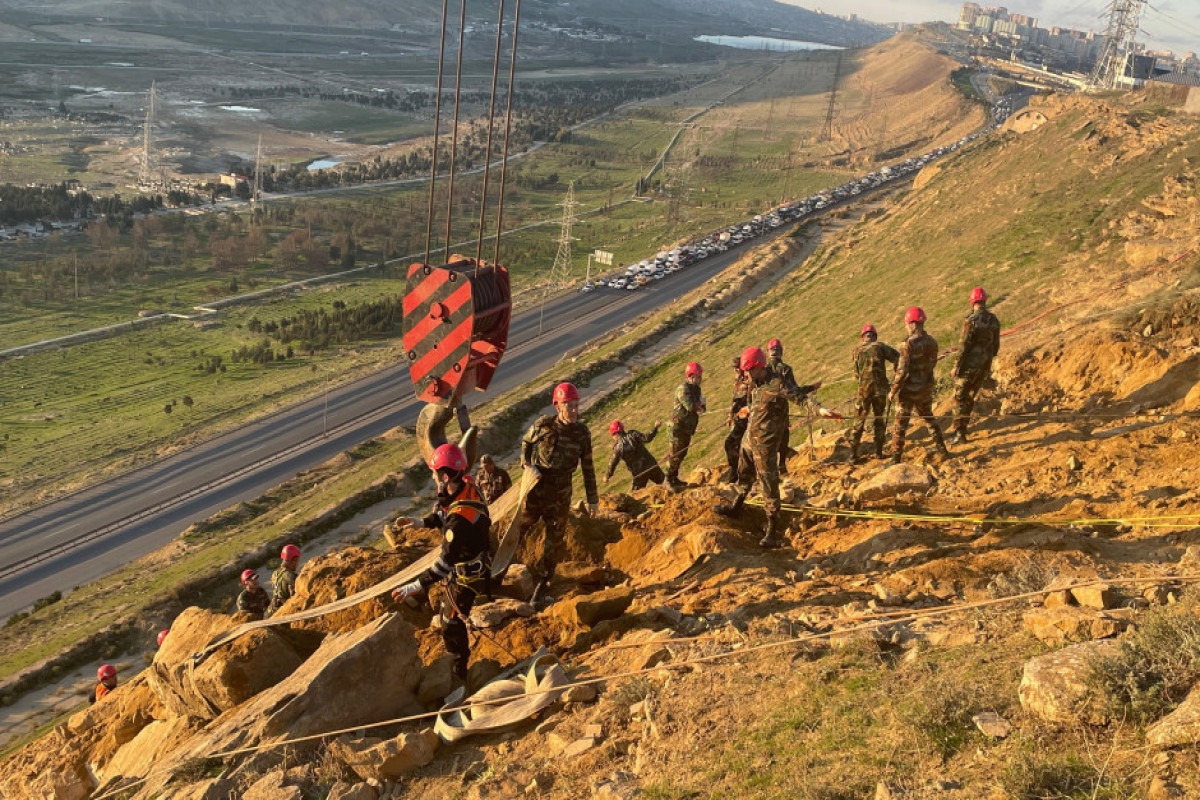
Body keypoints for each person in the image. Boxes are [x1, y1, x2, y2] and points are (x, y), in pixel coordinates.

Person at [392, 443, 491, 680]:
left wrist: (414, 586)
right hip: (475, 559)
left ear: (445, 476)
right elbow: (447, 511)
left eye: (435, 474)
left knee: (450, 623)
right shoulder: (468, 487)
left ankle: (459, 671)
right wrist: (421, 523)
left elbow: (443, 565)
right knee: (447, 613)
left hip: (470, 576)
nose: (434, 479)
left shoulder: (458, 523)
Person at [716, 346, 821, 549]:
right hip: (749, 439)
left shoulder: (777, 383)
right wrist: (746, 411)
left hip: (766, 444)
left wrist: (820, 410)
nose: (745, 375)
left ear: (759, 366)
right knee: (743, 473)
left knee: (768, 484)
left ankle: (772, 530)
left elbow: (799, 398)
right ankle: (736, 507)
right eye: (744, 371)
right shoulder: (754, 384)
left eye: (749, 371)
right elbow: (753, 404)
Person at [519, 382, 599, 601]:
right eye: (568, 406)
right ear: (558, 407)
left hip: (561, 494)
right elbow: (526, 443)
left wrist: (593, 500)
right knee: (518, 530)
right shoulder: (542, 426)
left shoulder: (582, 433)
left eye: (576, 406)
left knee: (554, 540)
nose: (573, 411)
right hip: (537, 490)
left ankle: (542, 583)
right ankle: (497, 573)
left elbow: (588, 468)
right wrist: (526, 465)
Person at [889, 307, 951, 464]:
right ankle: (942, 449)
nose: (906, 327)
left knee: (900, 424)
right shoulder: (932, 342)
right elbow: (932, 363)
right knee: (929, 419)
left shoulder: (908, 344)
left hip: (909, 391)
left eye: (907, 324)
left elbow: (902, 372)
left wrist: (893, 390)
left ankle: (896, 458)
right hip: (925, 388)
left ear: (913, 324)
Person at [950, 286, 1001, 444]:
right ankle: (963, 428)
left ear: (972, 301)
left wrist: (956, 366)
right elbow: (996, 346)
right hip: (984, 365)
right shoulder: (993, 319)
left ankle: (959, 433)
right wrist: (987, 360)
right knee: (971, 396)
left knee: (959, 398)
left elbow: (963, 346)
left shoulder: (970, 321)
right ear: (985, 300)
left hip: (969, 366)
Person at [850, 324, 900, 463]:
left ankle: (853, 455)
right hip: (880, 390)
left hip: (863, 391)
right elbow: (898, 357)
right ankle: (878, 451)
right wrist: (896, 372)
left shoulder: (856, 351)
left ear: (863, 337)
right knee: (879, 419)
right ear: (874, 336)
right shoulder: (880, 346)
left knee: (858, 421)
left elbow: (856, 374)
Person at [666, 362, 705, 490]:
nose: (700, 379)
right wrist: (700, 404)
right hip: (677, 428)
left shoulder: (696, 389)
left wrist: (701, 406)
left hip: (687, 429)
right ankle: (667, 479)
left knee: (681, 455)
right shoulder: (683, 389)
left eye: (700, 376)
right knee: (675, 455)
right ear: (691, 376)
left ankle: (674, 477)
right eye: (698, 376)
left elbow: (700, 408)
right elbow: (691, 406)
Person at [765, 339, 801, 470]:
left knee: (768, 438)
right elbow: (794, 390)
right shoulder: (786, 369)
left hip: (766, 409)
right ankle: (781, 464)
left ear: (768, 352)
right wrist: (809, 389)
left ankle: (769, 466)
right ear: (781, 353)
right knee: (783, 435)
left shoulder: (764, 369)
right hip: (781, 410)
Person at [604, 419, 664, 489]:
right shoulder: (633, 434)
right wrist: (656, 427)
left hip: (639, 473)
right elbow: (647, 438)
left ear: (615, 434)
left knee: (636, 497)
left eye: (612, 435)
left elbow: (613, 463)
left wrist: (607, 476)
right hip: (651, 466)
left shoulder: (618, 448)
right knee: (666, 484)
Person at [723, 356, 751, 483]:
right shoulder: (737, 380)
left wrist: (747, 409)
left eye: (737, 368)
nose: (735, 371)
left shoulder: (750, 379)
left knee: (730, 443)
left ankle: (735, 471)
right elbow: (734, 400)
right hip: (738, 417)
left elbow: (753, 399)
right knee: (734, 445)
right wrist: (730, 416)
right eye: (734, 368)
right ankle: (737, 470)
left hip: (747, 418)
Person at [267, 544, 301, 617]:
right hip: (282, 613)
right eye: (298, 560)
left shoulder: (275, 573)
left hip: (272, 610)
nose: (298, 563)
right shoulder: (291, 576)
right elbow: (296, 597)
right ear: (294, 560)